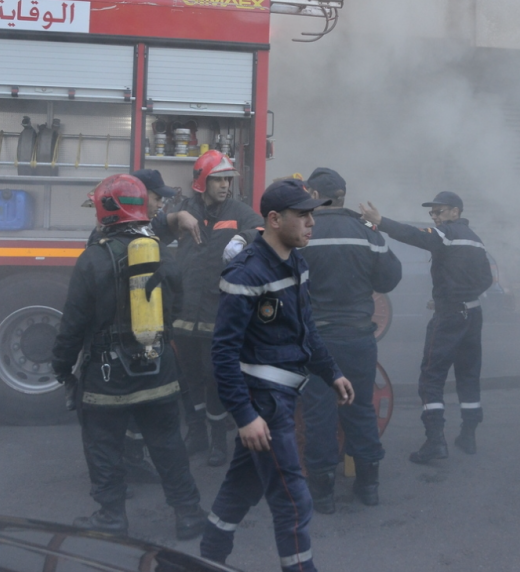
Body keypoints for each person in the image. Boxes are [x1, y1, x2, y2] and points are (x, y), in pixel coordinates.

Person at [200, 179, 355, 572]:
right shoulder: (246, 274)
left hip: (282, 396)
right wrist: (246, 415)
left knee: (241, 486)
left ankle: (206, 559)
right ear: (273, 219)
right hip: (265, 404)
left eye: (311, 215)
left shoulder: (295, 262)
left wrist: (331, 371)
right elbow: (223, 352)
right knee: (293, 501)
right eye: (302, 216)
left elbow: (306, 329)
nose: (310, 223)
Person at [52, 174, 207, 540]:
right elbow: (176, 308)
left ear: (106, 211)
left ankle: (110, 517)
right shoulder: (162, 254)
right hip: (158, 369)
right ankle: (188, 514)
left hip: (106, 376)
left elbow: (73, 323)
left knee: (103, 445)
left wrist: (61, 367)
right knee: (168, 443)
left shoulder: (92, 259)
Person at [359, 191, 493, 463]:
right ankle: (468, 436)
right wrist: (455, 296)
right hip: (472, 314)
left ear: (455, 212)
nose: (434, 217)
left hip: (450, 318)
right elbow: (485, 280)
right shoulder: (476, 241)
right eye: (432, 214)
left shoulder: (447, 234)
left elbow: (414, 235)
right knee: (468, 375)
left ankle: (435, 442)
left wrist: (380, 221)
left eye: (439, 212)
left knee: (431, 376)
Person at [298, 167, 402, 511]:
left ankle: (323, 495)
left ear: (314, 195)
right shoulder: (367, 231)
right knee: (359, 409)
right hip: (359, 338)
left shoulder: (303, 231)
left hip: (319, 341)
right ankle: (368, 487)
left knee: (319, 412)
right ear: (343, 195)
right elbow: (389, 278)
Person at [83, 168, 194, 484]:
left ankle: (126, 468)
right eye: (157, 198)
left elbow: (157, 226)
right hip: (122, 344)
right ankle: (123, 475)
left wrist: (177, 218)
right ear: (139, 197)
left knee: (130, 413)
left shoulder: (133, 229)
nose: (161, 205)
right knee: (125, 418)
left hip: (128, 344)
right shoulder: (114, 238)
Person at [169, 150, 264, 467]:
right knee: (189, 376)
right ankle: (195, 434)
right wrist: (175, 218)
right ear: (202, 182)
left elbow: (265, 230)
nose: (225, 185)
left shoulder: (238, 211)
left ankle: (217, 442)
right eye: (218, 179)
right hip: (184, 311)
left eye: (227, 179)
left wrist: (245, 237)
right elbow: (153, 226)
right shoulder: (184, 209)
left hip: (216, 311)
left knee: (215, 376)